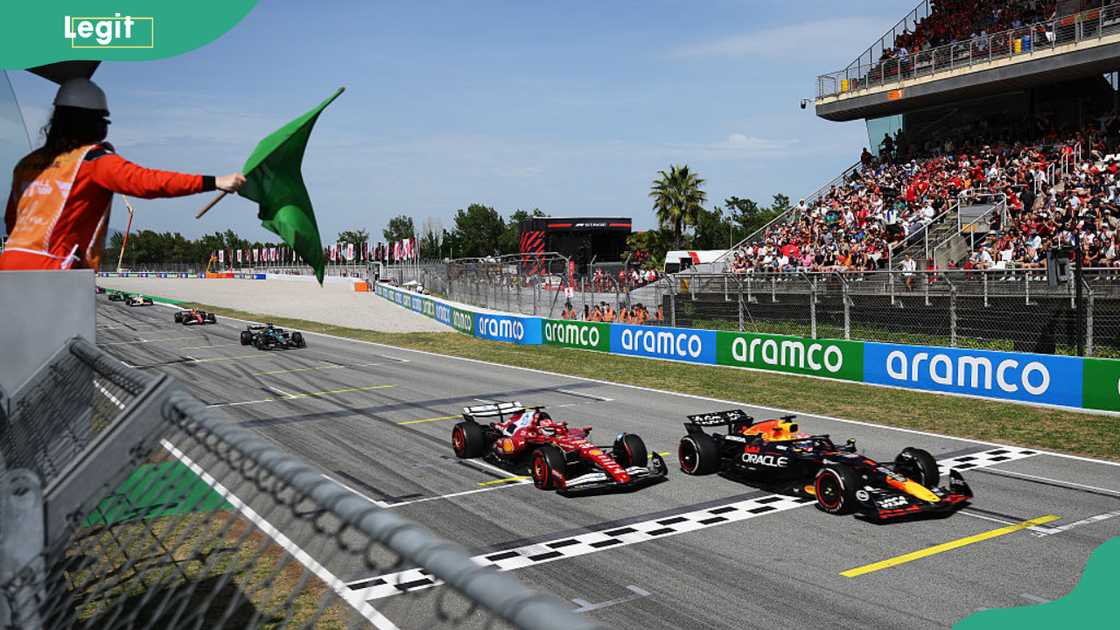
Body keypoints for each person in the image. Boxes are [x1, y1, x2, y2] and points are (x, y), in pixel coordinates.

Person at [1, 78, 245, 270]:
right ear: (91, 122)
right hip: (53, 270)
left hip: (9, 263)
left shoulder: (28, 164)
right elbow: (149, 182)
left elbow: (13, 219)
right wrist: (214, 182)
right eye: (103, 119)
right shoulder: (92, 160)